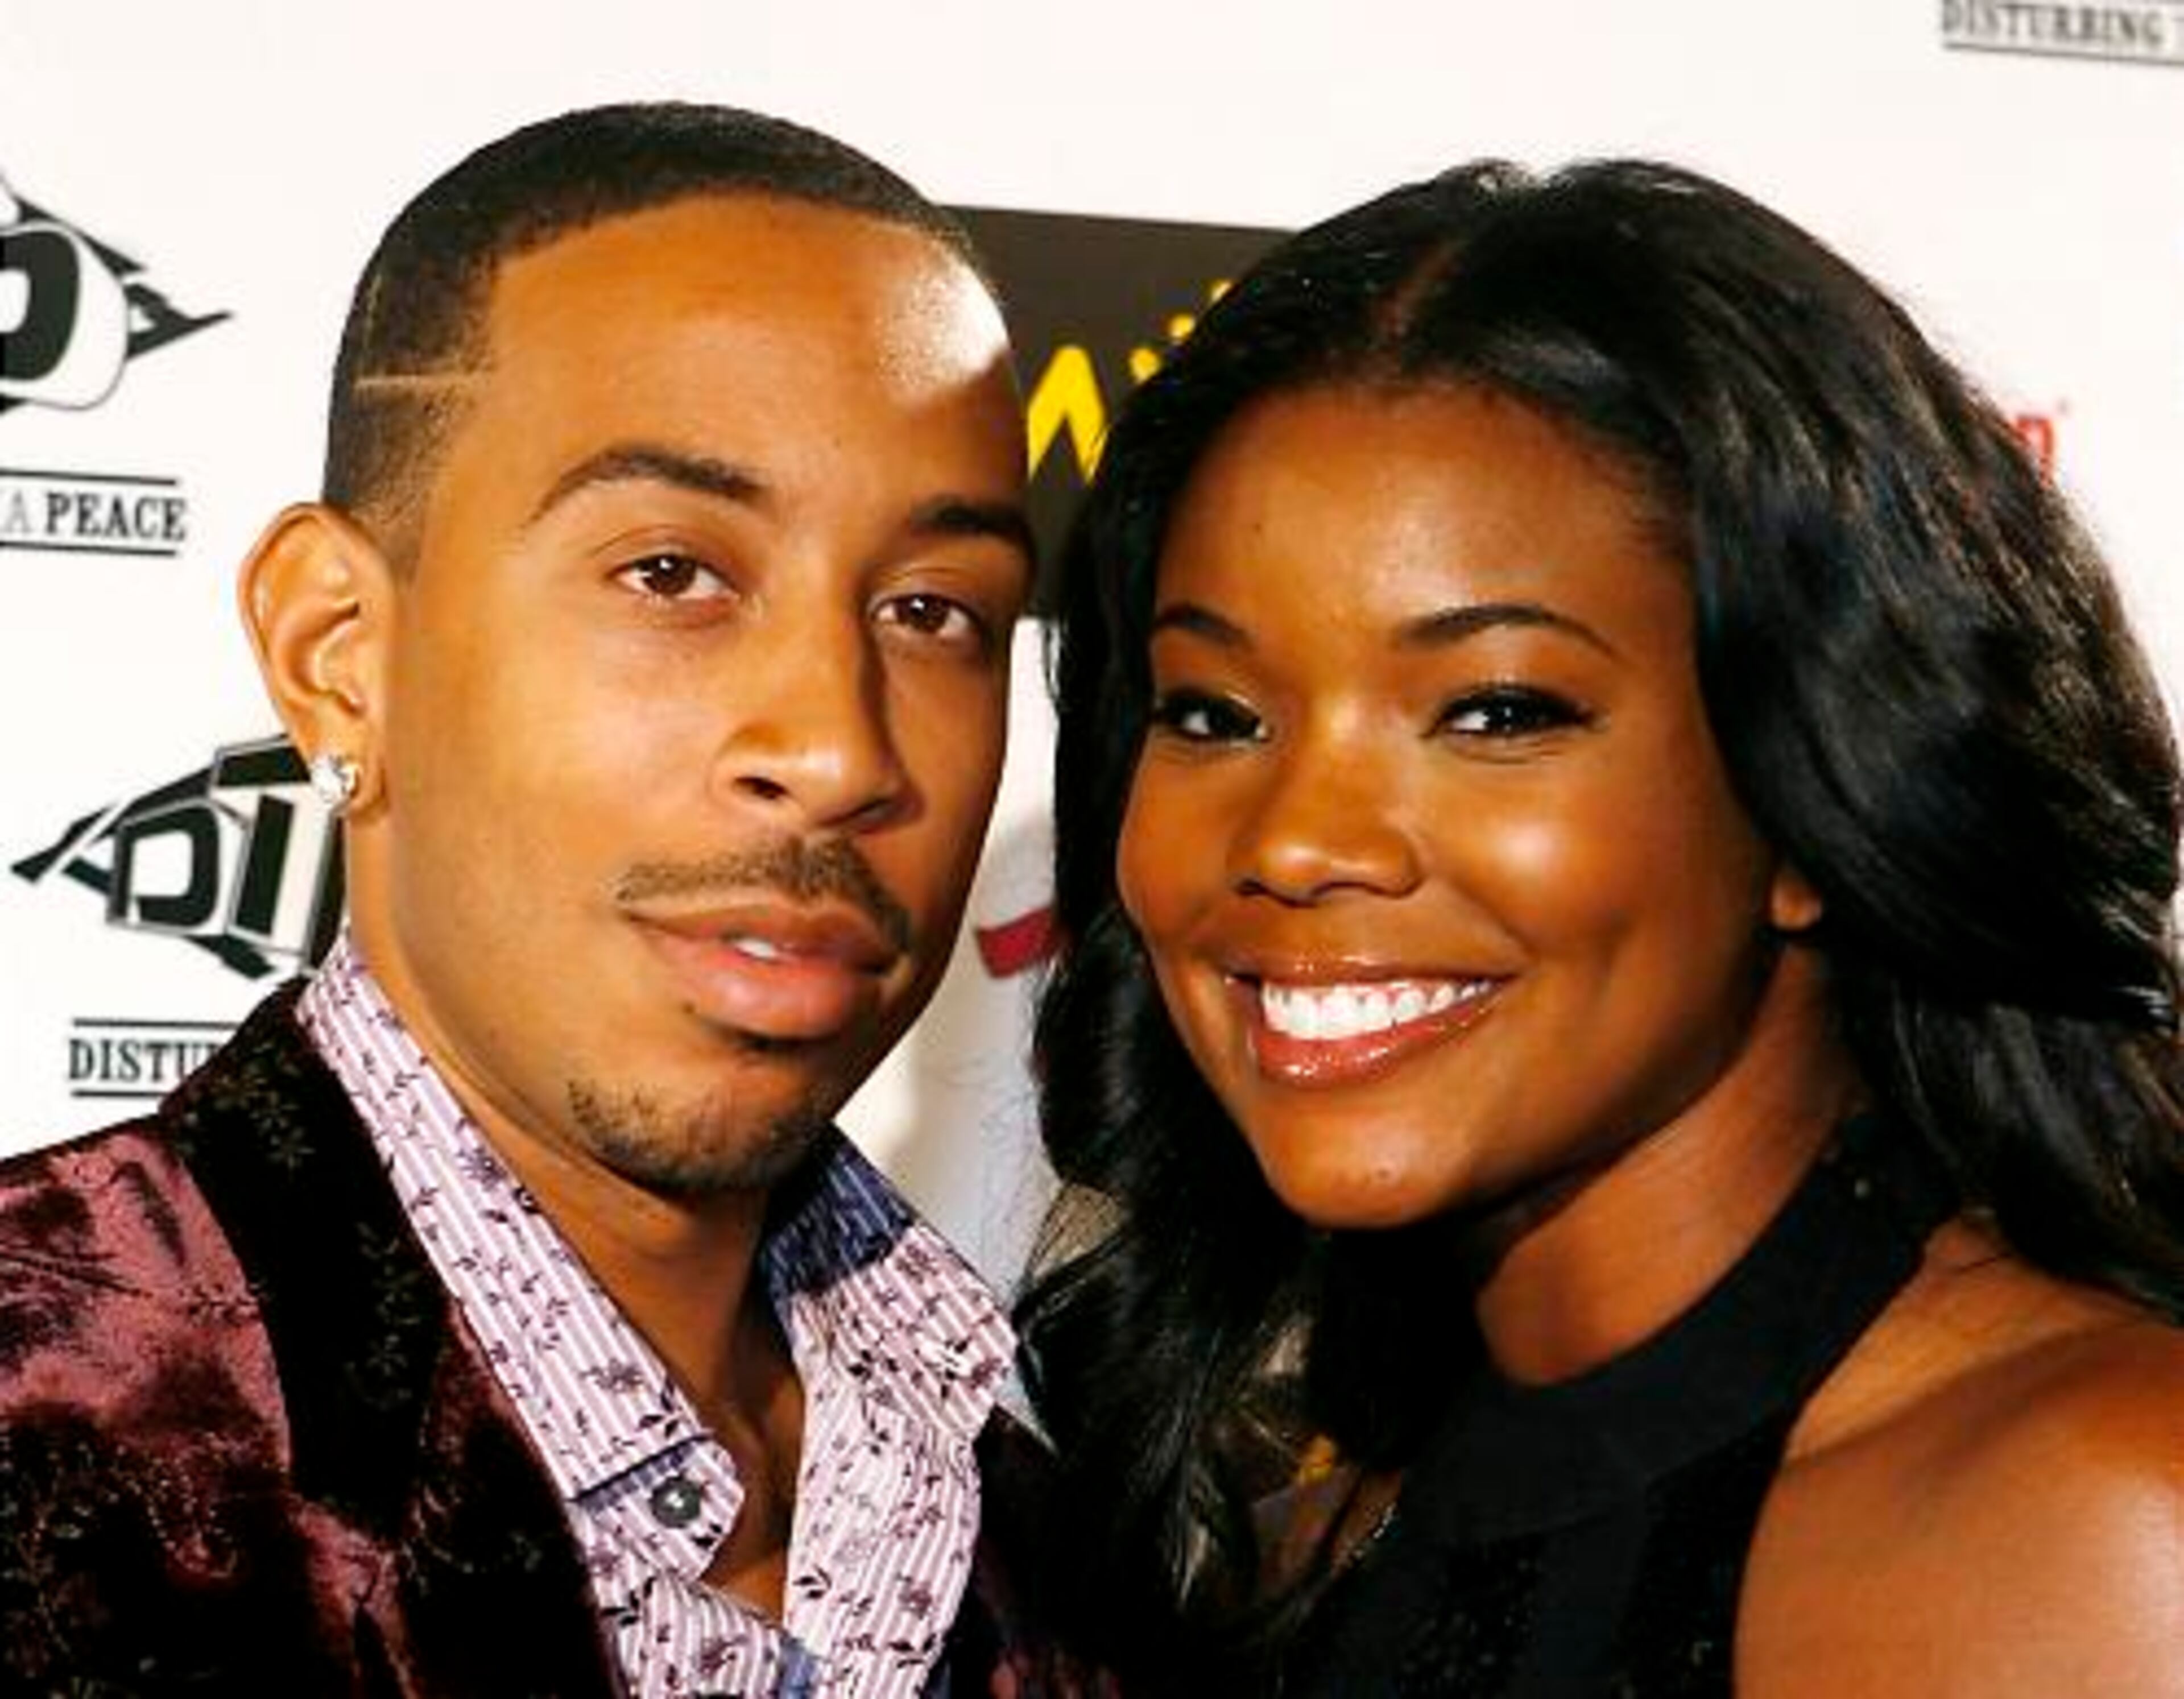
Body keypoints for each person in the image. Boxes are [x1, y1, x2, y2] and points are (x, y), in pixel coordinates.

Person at [1016, 157, 2184, 1696]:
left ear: (1811, 794)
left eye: (1496, 709)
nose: (1297, 837)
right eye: (1217, 711)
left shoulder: (2074, 1517)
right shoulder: (1302, 1499)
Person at [0, 102, 1073, 1697]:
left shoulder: (1054, 1534)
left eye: (933, 610)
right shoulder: (57, 1424)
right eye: (671, 574)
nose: (839, 747)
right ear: (337, 654)